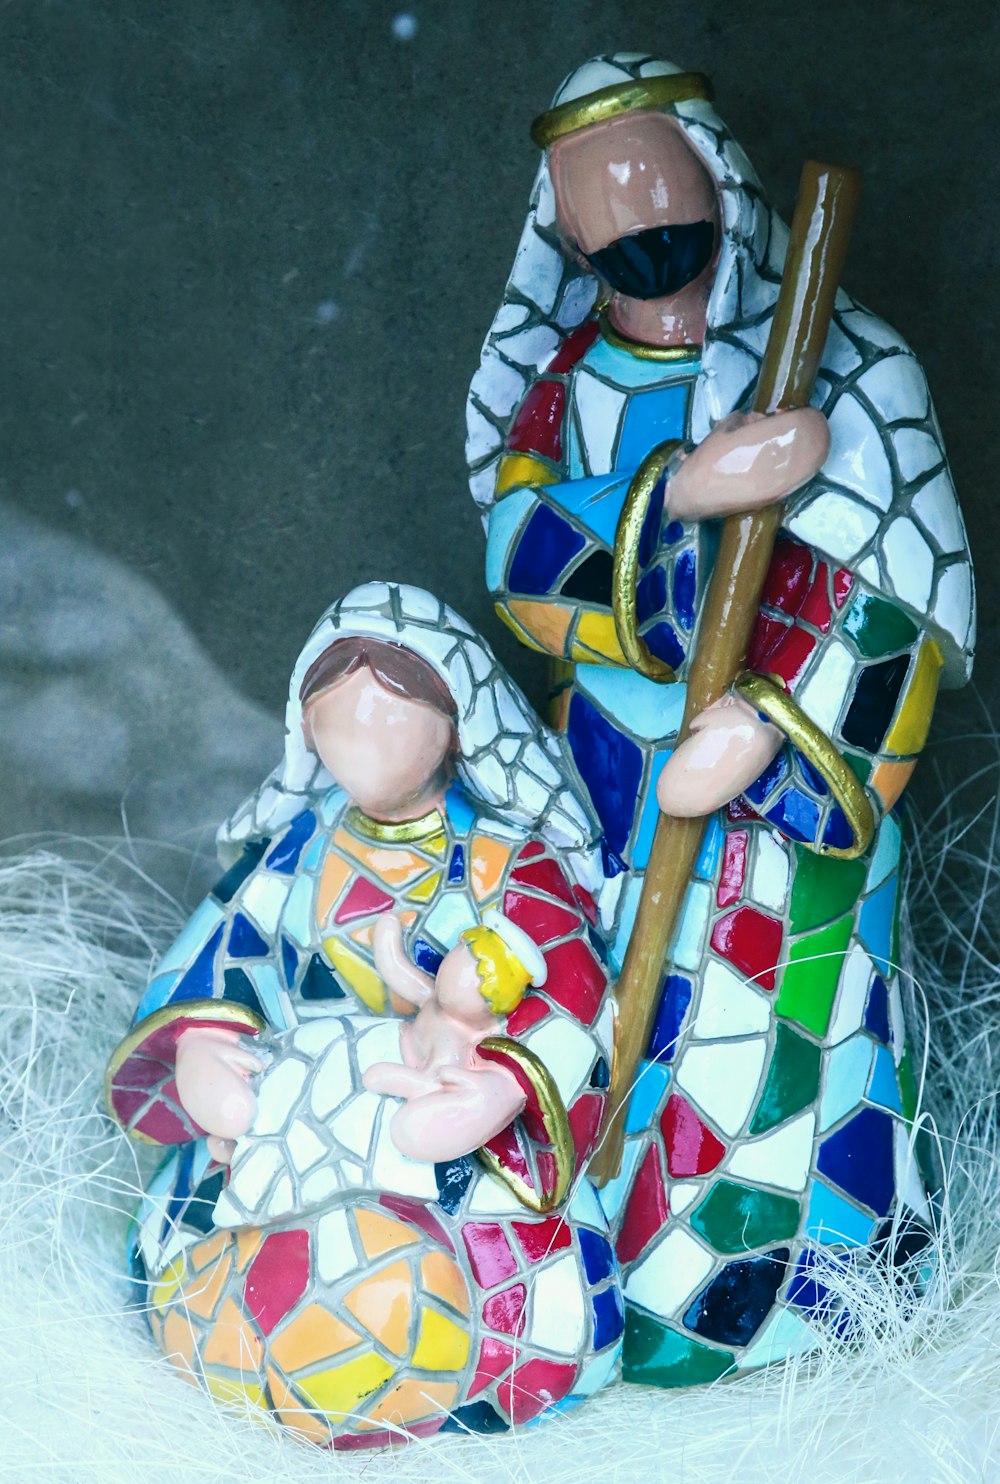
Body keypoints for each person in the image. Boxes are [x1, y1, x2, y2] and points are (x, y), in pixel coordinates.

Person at [467, 54, 975, 1386]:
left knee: (795, 1033)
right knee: (623, 1027)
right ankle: (622, 1282)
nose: (638, 219)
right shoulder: (562, 389)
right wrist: (677, 492)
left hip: (795, 799)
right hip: (612, 788)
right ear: (565, 234)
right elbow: (519, 554)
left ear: (713, 176)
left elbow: (897, 608)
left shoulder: (852, 372)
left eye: (655, 181)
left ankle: (821, 1275)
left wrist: (767, 732)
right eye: (601, 205)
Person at [105, 582, 623, 1445]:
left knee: (489, 1263)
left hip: (447, 1110)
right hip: (289, 1104)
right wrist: (202, 1047)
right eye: (336, 718)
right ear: (304, 728)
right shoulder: (299, 848)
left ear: (457, 724)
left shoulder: (508, 856)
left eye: (392, 713)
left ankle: (429, 1351)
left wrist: (502, 1091)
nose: (362, 740)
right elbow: (222, 952)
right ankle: (247, 1330)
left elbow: (576, 992)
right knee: (212, 1227)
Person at [363, 907, 547, 1159]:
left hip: (409, 1069)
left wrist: (388, 1077)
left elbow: (431, 1082)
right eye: (459, 957)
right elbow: (399, 973)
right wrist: (387, 936)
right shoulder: (432, 999)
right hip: (402, 1038)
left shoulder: (458, 1042)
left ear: (494, 1003)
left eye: (477, 982)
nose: (455, 978)